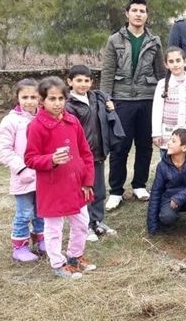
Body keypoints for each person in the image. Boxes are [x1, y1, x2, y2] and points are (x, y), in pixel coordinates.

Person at [24, 76, 96, 279]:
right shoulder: (37, 126)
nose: (57, 104)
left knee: (82, 222)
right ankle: (58, 263)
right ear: (42, 101)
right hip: (53, 186)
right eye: (52, 99)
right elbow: (30, 159)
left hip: (77, 184)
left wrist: (87, 181)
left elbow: (85, 153)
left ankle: (75, 256)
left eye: (60, 99)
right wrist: (51, 159)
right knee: (54, 228)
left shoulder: (72, 121)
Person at [100, 0, 165, 211]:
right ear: (126, 13)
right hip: (122, 99)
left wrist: (164, 97)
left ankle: (139, 185)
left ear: (147, 15)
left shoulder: (154, 41)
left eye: (142, 11)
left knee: (145, 146)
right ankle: (116, 191)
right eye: (135, 10)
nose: (138, 14)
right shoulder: (114, 40)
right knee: (120, 147)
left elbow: (161, 73)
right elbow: (108, 72)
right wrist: (105, 99)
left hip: (147, 98)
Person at [65, 65, 125, 242]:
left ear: (91, 82)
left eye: (86, 80)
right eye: (78, 80)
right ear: (70, 82)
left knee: (98, 190)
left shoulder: (97, 99)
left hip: (98, 154)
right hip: (80, 157)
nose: (83, 84)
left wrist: (111, 107)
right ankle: (83, 226)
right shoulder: (68, 105)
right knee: (83, 192)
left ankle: (98, 221)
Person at [0, 79, 44, 262]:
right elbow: (3, 151)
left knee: (42, 210)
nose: (30, 101)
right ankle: (19, 247)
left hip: (42, 173)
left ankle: (41, 239)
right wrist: (22, 169)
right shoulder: (11, 121)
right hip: (23, 176)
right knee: (25, 212)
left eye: (34, 97)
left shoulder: (43, 117)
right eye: (25, 97)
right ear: (17, 97)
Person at [147, 129, 186, 245]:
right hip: (169, 200)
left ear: (184, 148)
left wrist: (180, 197)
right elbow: (156, 192)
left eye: (173, 141)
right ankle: (169, 222)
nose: (169, 143)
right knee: (166, 218)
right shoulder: (162, 166)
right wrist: (152, 225)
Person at [151, 47, 186, 157]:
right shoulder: (162, 84)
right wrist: (156, 133)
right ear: (166, 64)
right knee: (167, 168)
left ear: (185, 61)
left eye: (178, 60)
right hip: (168, 135)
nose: (175, 64)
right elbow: (157, 110)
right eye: (171, 61)